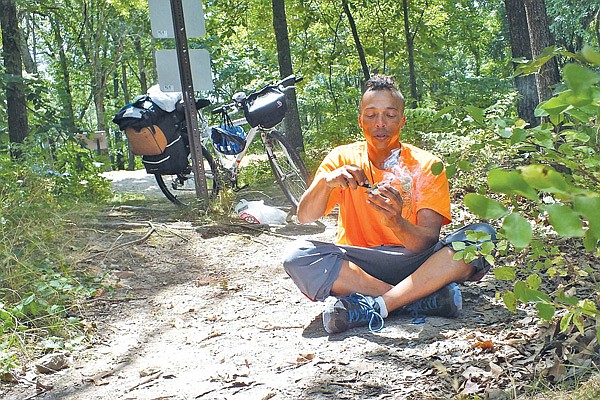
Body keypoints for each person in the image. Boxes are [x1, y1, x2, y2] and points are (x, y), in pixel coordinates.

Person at [283, 74, 496, 334]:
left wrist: (396, 221)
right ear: (360, 121)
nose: (380, 124)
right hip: (359, 266)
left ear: (402, 120)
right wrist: (326, 183)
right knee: (297, 256)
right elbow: (305, 216)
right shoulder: (342, 158)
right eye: (371, 115)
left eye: (390, 115)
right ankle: (418, 300)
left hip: (417, 262)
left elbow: (426, 242)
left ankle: (380, 305)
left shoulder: (426, 165)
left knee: (482, 237)